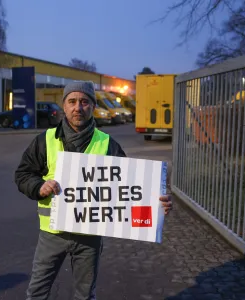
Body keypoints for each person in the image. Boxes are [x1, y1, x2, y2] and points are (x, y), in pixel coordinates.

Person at [14, 81, 173, 300]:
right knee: (37, 292)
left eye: (84, 102)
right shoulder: (44, 141)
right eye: (72, 102)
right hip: (52, 233)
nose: (78, 107)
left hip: (89, 236)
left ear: (92, 106)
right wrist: (39, 186)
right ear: (64, 106)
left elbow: (128, 189)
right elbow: (23, 174)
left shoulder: (108, 144)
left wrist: (156, 204)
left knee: (85, 295)